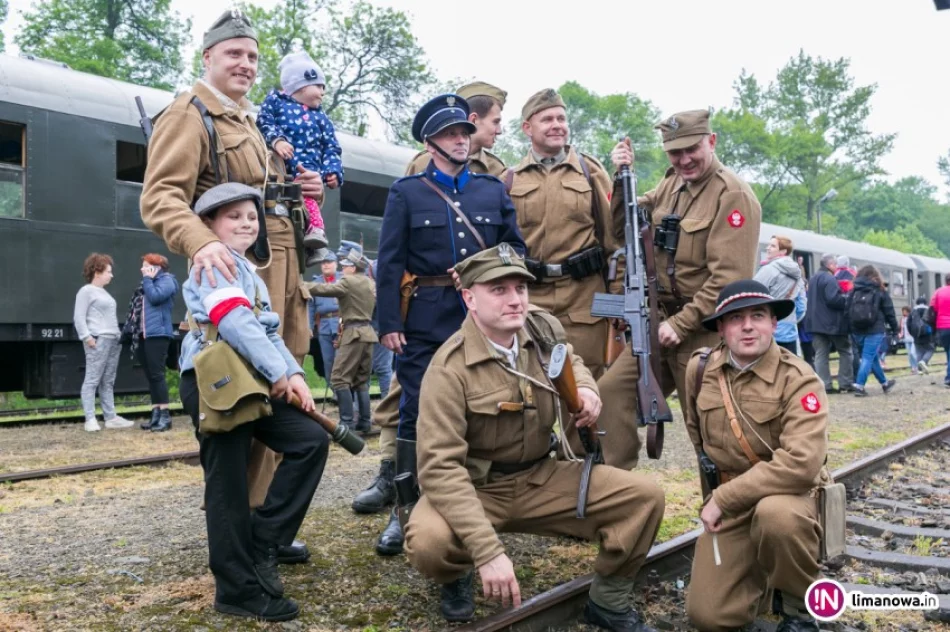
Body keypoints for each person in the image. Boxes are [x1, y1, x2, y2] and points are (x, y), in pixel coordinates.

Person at [140, 9, 324, 565]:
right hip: (233, 275)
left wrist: (298, 187)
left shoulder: (246, 120)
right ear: (208, 58)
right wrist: (200, 243)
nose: (245, 64)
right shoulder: (191, 113)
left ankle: (263, 522)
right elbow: (161, 196)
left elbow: (251, 192)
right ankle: (241, 538)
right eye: (234, 54)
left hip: (276, 267)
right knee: (242, 398)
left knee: (276, 391)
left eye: (252, 56)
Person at [404, 245, 665, 631]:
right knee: (429, 542)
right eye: (499, 290)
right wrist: (487, 552)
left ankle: (608, 602)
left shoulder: (540, 329)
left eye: (520, 288)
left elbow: (570, 358)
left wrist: (587, 388)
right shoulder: (448, 369)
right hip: (478, 487)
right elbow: (439, 469)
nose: (515, 300)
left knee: (644, 498)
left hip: (542, 476)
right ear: (470, 298)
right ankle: (457, 572)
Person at [373, 93, 525, 556]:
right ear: (430, 142)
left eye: (464, 132)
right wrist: (389, 321)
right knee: (416, 408)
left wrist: (489, 272)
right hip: (425, 315)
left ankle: (474, 505)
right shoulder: (408, 192)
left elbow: (516, 250)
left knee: (486, 403)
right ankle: (405, 512)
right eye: (449, 134)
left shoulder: (491, 190)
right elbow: (389, 261)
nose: (460, 140)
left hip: (482, 316)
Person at [179, 183, 329, 622]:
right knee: (227, 482)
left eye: (251, 216)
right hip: (216, 381)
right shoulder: (211, 265)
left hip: (248, 378)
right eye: (233, 217)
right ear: (208, 225)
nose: (246, 223)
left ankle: (263, 541)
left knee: (309, 441)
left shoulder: (244, 268)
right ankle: (237, 591)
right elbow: (234, 321)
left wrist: (295, 375)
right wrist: (278, 373)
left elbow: (265, 331)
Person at [597, 109, 762, 469]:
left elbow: (729, 281)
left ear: (711, 141)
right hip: (659, 326)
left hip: (703, 333)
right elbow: (623, 228)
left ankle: (726, 504)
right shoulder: (670, 185)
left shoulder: (732, 195)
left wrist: (681, 324)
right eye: (675, 152)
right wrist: (622, 178)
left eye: (692, 149)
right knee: (609, 393)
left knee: (711, 433)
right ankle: (614, 486)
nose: (684, 159)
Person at [683, 279, 828, 632]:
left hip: (788, 497)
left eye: (758, 316)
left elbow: (802, 464)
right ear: (721, 328)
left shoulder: (799, 379)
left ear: (773, 323)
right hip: (734, 506)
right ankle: (761, 578)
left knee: (776, 517)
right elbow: (700, 443)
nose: (747, 326)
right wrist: (714, 499)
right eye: (736, 318)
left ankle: (798, 607)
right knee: (709, 617)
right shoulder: (700, 370)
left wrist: (724, 498)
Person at [506, 88, 619, 380]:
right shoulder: (509, 180)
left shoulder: (590, 172)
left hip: (582, 299)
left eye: (561, 118)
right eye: (547, 119)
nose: (557, 125)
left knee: (586, 384)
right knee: (532, 382)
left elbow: (613, 242)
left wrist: (618, 303)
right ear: (527, 128)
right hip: (531, 298)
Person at [257, 50, 345, 266]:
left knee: (308, 201)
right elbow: (264, 122)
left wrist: (333, 171)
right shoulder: (275, 102)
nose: (323, 92)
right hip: (279, 168)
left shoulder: (321, 117)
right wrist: (277, 140)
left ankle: (316, 237)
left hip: (308, 172)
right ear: (302, 85)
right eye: (319, 86)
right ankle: (313, 240)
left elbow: (331, 147)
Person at [306, 249, 377, 432]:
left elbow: (324, 289)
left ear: (353, 268)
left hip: (352, 333)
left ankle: (347, 422)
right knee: (361, 380)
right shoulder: (370, 282)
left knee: (338, 378)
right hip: (367, 333)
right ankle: (365, 421)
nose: (343, 268)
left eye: (346, 265)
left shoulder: (348, 281)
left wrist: (302, 285)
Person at [73, 253, 133, 432]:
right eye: (108, 271)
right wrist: (87, 337)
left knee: (108, 380)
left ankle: (110, 417)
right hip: (98, 339)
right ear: (97, 272)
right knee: (92, 379)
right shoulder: (86, 291)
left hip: (113, 340)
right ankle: (90, 419)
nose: (111, 275)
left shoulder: (104, 293)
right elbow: (78, 317)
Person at [404, 82, 508, 177]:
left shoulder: (497, 171)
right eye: (495, 122)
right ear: (473, 120)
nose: (499, 131)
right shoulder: (422, 163)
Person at [133, 254, 179, 432]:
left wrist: (147, 279)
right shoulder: (149, 283)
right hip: (144, 334)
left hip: (158, 333)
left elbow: (155, 297)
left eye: (146, 266)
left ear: (156, 267)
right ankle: (156, 414)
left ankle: (165, 416)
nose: (142, 269)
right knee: (151, 376)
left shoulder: (167, 281)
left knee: (158, 375)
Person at [803, 254, 853, 394]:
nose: (836, 267)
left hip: (815, 323)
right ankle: (845, 383)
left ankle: (825, 385)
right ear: (830, 265)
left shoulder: (813, 278)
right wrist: (846, 300)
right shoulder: (830, 278)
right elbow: (833, 299)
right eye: (835, 264)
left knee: (821, 354)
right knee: (845, 350)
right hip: (831, 323)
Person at [849, 265, 898, 397]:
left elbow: (847, 309)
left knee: (872, 357)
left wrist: (850, 328)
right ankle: (859, 385)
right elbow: (889, 311)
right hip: (875, 330)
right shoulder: (880, 290)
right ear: (876, 276)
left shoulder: (854, 290)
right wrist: (895, 329)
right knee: (867, 357)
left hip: (857, 330)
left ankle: (885, 384)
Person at [754, 235, 806, 354]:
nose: (768, 248)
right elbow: (801, 306)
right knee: (788, 364)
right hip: (790, 333)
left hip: (768, 330)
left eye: (772, 246)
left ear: (783, 251)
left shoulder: (768, 270)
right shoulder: (798, 274)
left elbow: (754, 296)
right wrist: (790, 319)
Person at [307, 251, 341, 391]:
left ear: (336, 264)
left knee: (341, 361)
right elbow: (310, 307)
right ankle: (333, 391)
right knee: (327, 361)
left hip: (341, 324)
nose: (326, 265)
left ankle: (344, 392)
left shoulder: (343, 280)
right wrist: (309, 327)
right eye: (323, 263)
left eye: (329, 262)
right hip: (324, 326)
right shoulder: (316, 283)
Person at [929, 273, 950, 387]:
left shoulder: (938, 292)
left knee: (948, 351)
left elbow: (934, 308)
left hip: (942, 327)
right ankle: (948, 378)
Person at [909, 296, 935, 373]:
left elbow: (908, 323)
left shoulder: (913, 311)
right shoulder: (929, 309)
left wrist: (913, 333)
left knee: (919, 352)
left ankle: (919, 370)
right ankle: (924, 361)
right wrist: (933, 333)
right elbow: (933, 322)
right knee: (930, 349)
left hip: (916, 335)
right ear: (925, 302)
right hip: (927, 334)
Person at [900, 306, 918, 375]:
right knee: (909, 354)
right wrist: (900, 335)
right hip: (906, 338)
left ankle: (917, 367)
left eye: (905, 311)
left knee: (913, 353)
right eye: (903, 311)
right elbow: (902, 328)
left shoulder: (912, 318)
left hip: (913, 338)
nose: (904, 312)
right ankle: (913, 368)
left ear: (908, 311)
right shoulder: (902, 319)